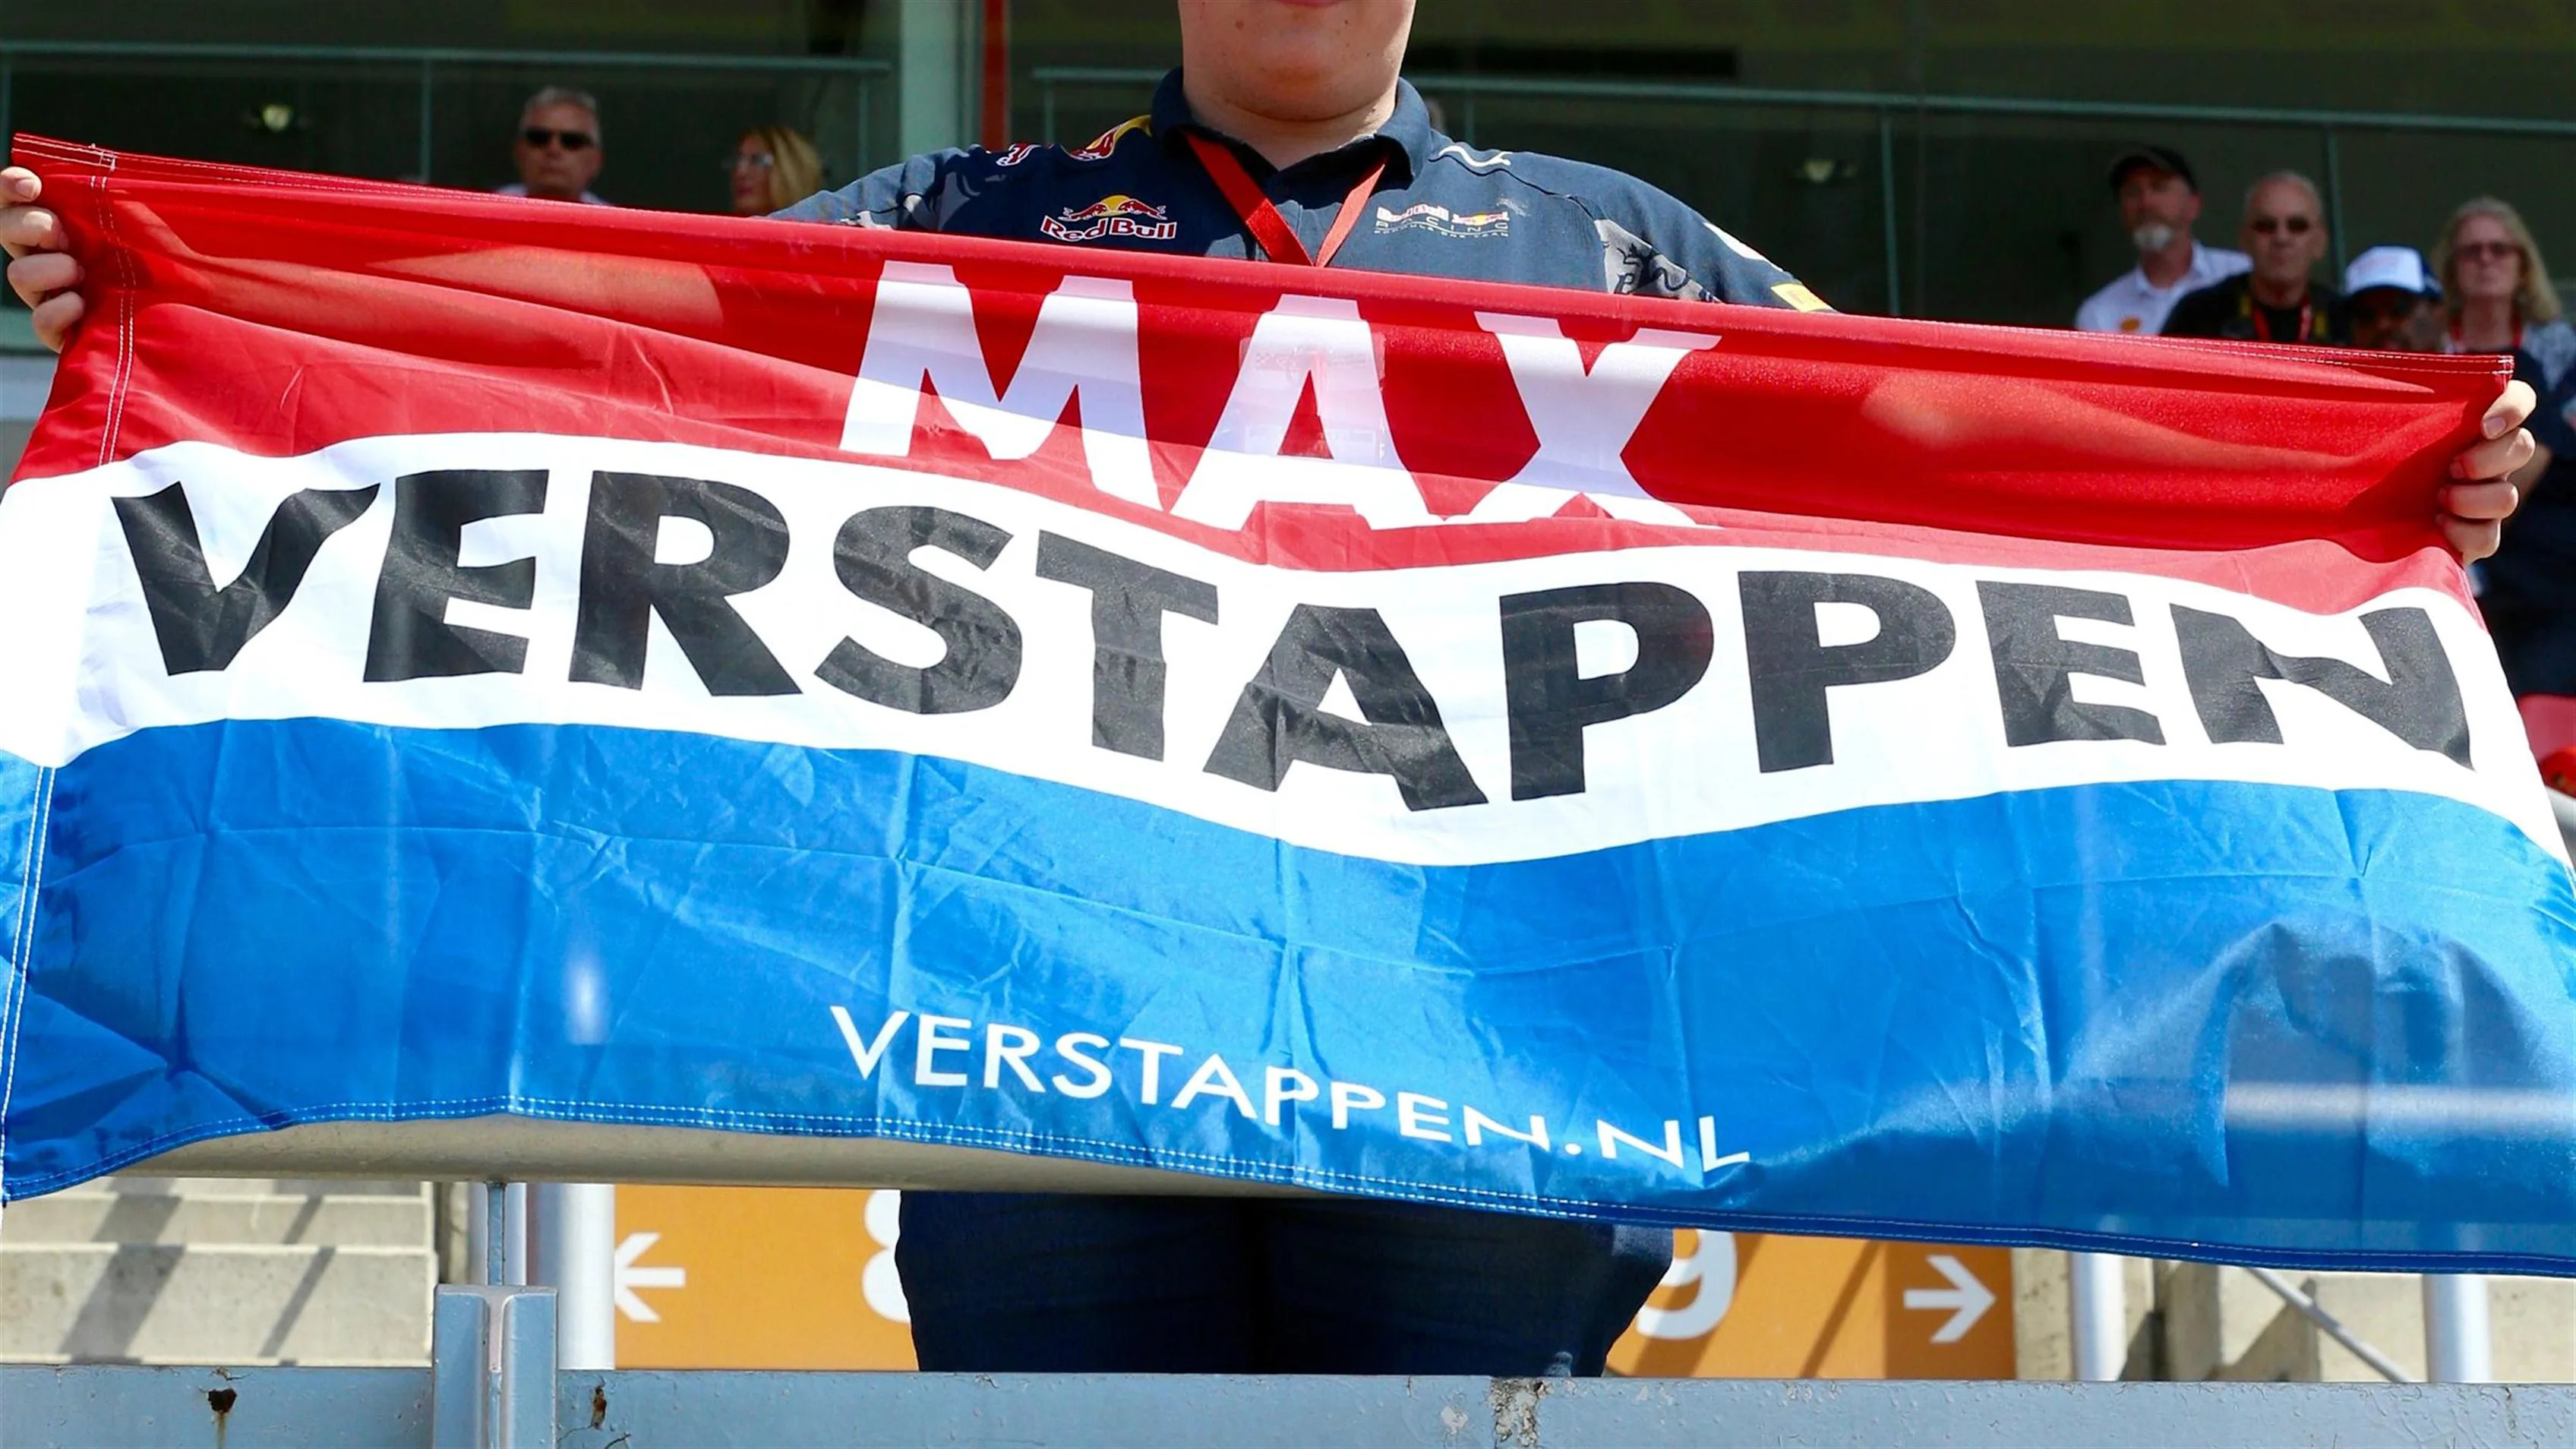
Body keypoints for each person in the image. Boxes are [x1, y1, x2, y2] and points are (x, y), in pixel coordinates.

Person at [0, 0, 2536, 1378]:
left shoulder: (1619, 254)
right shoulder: (949, 230)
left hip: (1486, 1100)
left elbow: (1983, 481)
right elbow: (599, 360)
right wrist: (208, 298)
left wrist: (2362, 499)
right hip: (1032, 1061)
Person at [2433, 197, 2576, 754]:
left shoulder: (2560, 349)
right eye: (2471, 251)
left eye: (2500, 248)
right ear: (2451, 269)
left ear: (2523, 264)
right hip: (2455, 572)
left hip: (2546, 582)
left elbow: (2532, 463)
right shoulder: (2428, 349)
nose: (2486, 260)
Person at [2075, 144, 2249, 336]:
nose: (2146, 203)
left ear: (2194, 205)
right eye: (2132, 192)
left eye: (2159, 187)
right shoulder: (2101, 314)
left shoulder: (2244, 275)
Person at [2161, 172, 2344, 345]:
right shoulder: (2199, 314)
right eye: (2266, 226)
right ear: (2245, 240)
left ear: (2320, 242)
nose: (2281, 238)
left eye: (2297, 226)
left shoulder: (2344, 319)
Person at [500, 86, 608, 205]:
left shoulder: (614, 222)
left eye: (572, 141)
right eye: (539, 138)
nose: (553, 149)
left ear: (596, 160)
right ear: (519, 151)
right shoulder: (484, 213)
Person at [2342, 245, 2445, 354]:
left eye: (2399, 309)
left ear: (2437, 313)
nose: (2382, 325)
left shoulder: (2464, 369)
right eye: (2366, 316)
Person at [728, 125, 825, 217]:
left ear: (789, 171)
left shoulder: (819, 231)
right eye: (738, 160)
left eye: (757, 160)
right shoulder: (726, 232)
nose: (741, 172)